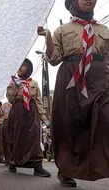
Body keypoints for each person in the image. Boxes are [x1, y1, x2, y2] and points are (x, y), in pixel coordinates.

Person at [38, 0, 109, 187]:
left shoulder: (104, 31)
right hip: (71, 79)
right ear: (72, 3)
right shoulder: (62, 30)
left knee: (103, 120)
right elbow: (54, 60)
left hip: (99, 79)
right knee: (70, 124)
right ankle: (66, 169)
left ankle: (101, 164)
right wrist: (47, 37)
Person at [6, 58, 51, 178]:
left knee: (33, 138)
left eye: (23, 65)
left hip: (31, 113)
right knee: (16, 137)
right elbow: (10, 98)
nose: (20, 68)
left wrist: (43, 117)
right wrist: (16, 86)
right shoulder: (12, 82)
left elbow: (38, 101)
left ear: (28, 69)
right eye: (19, 66)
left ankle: (37, 167)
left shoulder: (34, 84)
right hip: (17, 112)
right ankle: (13, 163)